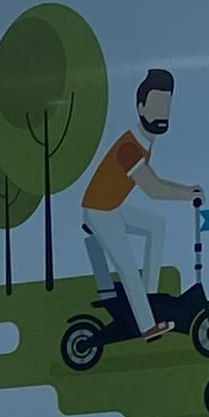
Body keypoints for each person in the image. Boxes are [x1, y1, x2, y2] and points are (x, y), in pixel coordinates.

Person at [77, 68, 202, 330]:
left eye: (166, 104)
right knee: (128, 268)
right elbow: (152, 188)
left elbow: (152, 180)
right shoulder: (129, 147)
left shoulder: (144, 141)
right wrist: (187, 194)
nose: (162, 111)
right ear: (141, 107)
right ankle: (147, 326)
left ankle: (147, 293)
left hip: (111, 206)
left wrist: (187, 191)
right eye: (156, 104)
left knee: (156, 225)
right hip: (100, 210)